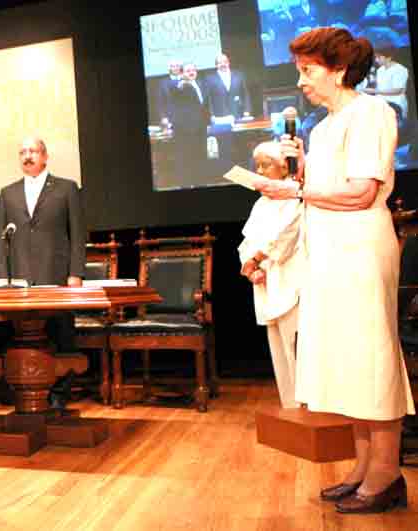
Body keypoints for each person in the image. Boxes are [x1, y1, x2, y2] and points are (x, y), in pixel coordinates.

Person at [255, 27, 414, 514]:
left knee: (371, 356)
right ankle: (364, 465)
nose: (300, 81)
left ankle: (387, 473)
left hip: (360, 248)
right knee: (346, 360)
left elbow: (362, 192)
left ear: (339, 70)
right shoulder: (322, 128)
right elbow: (324, 190)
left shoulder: (372, 113)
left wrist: (295, 190)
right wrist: (301, 173)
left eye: (308, 70)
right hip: (327, 252)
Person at [0, 137, 85, 408]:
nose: (28, 156)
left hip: (56, 274)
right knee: (21, 335)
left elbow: (77, 233)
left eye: (33, 151)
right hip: (20, 278)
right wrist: (4, 278)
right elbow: (2, 241)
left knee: (61, 332)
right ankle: (25, 390)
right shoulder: (8, 192)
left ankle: (59, 393)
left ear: (45, 156)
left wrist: (75, 273)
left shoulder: (66, 188)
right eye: (23, 152)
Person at [238, 142, 303, 409]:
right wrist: (249, 266)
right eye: (258, 166)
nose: (260, 171)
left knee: (296, 348)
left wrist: (256, 260)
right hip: (265, 281)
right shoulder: (261, 204)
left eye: (266, 165)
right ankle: (290, 409)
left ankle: (307, 410)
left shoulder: (295, 197)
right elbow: (247, 241)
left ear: (284, 167)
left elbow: (286, 237)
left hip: (288, 279)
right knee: (278, 350)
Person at [170, 63, 210, 184]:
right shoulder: (180, 85)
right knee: (187, 158)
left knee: (201, 156)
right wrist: (181, 83)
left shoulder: (201, 84)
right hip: (186, 130)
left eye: (193, 70)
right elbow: (175, 91)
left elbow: (205, 105)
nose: (191, 72)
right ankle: (187, 184)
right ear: (182, 73)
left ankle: (201, 183)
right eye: (188, 71)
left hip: (201, 127)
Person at [363, 47, 409, 120]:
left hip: (395, 103)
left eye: (379, 57)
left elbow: (398, 90)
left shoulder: (400, 69)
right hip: (381, 102)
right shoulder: (380, 70)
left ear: (388, 58)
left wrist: (374, 91)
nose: (376, 60)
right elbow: (380, 87)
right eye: (376, 57)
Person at [204, 53, 252, 123]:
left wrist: (247, 110)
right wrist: (212, 115)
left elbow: (245, 94)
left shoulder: (239, 75)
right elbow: (209, 99)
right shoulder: (209, 79)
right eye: (220, 63)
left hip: (238, 114)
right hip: (220, 117)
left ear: (229, 63)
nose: (223, 64)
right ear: (216, 65)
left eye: (225, 62)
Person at [156, 60, 182, 127]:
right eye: (172, 66)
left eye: (177, 66)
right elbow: (160, 102)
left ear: (180, 67)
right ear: (169, 68)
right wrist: (163, 117)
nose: (175, 68)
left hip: (186, 117)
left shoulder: (186, 80)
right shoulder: (163, 83)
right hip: (170, 118)